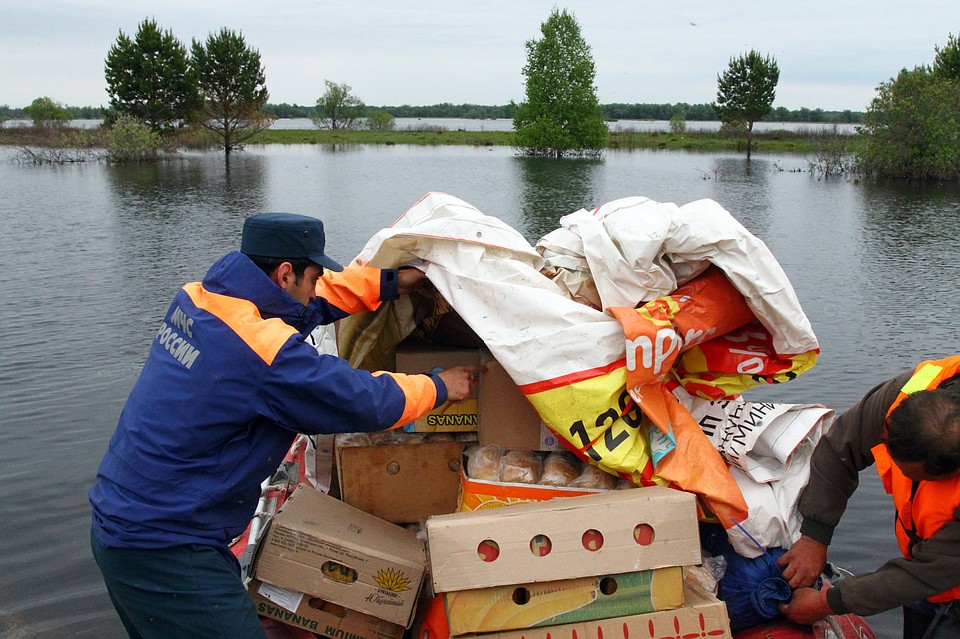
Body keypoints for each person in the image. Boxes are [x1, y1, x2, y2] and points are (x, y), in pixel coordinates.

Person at [89, 212, 484, 639]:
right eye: (313, 275)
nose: (317, 286)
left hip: (125, 521)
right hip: (167, 546)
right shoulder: (261, 353)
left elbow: (315, 300)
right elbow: (360, 399)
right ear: (284, 274)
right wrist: (440, 386)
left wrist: (393, 283)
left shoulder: (200, 299)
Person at [777, 356, 960, 638]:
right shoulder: (911, 392)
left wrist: (827, 603)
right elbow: (840, 446)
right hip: (922, 571)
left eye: (915, 476)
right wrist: (815, 536)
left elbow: (933, 571)